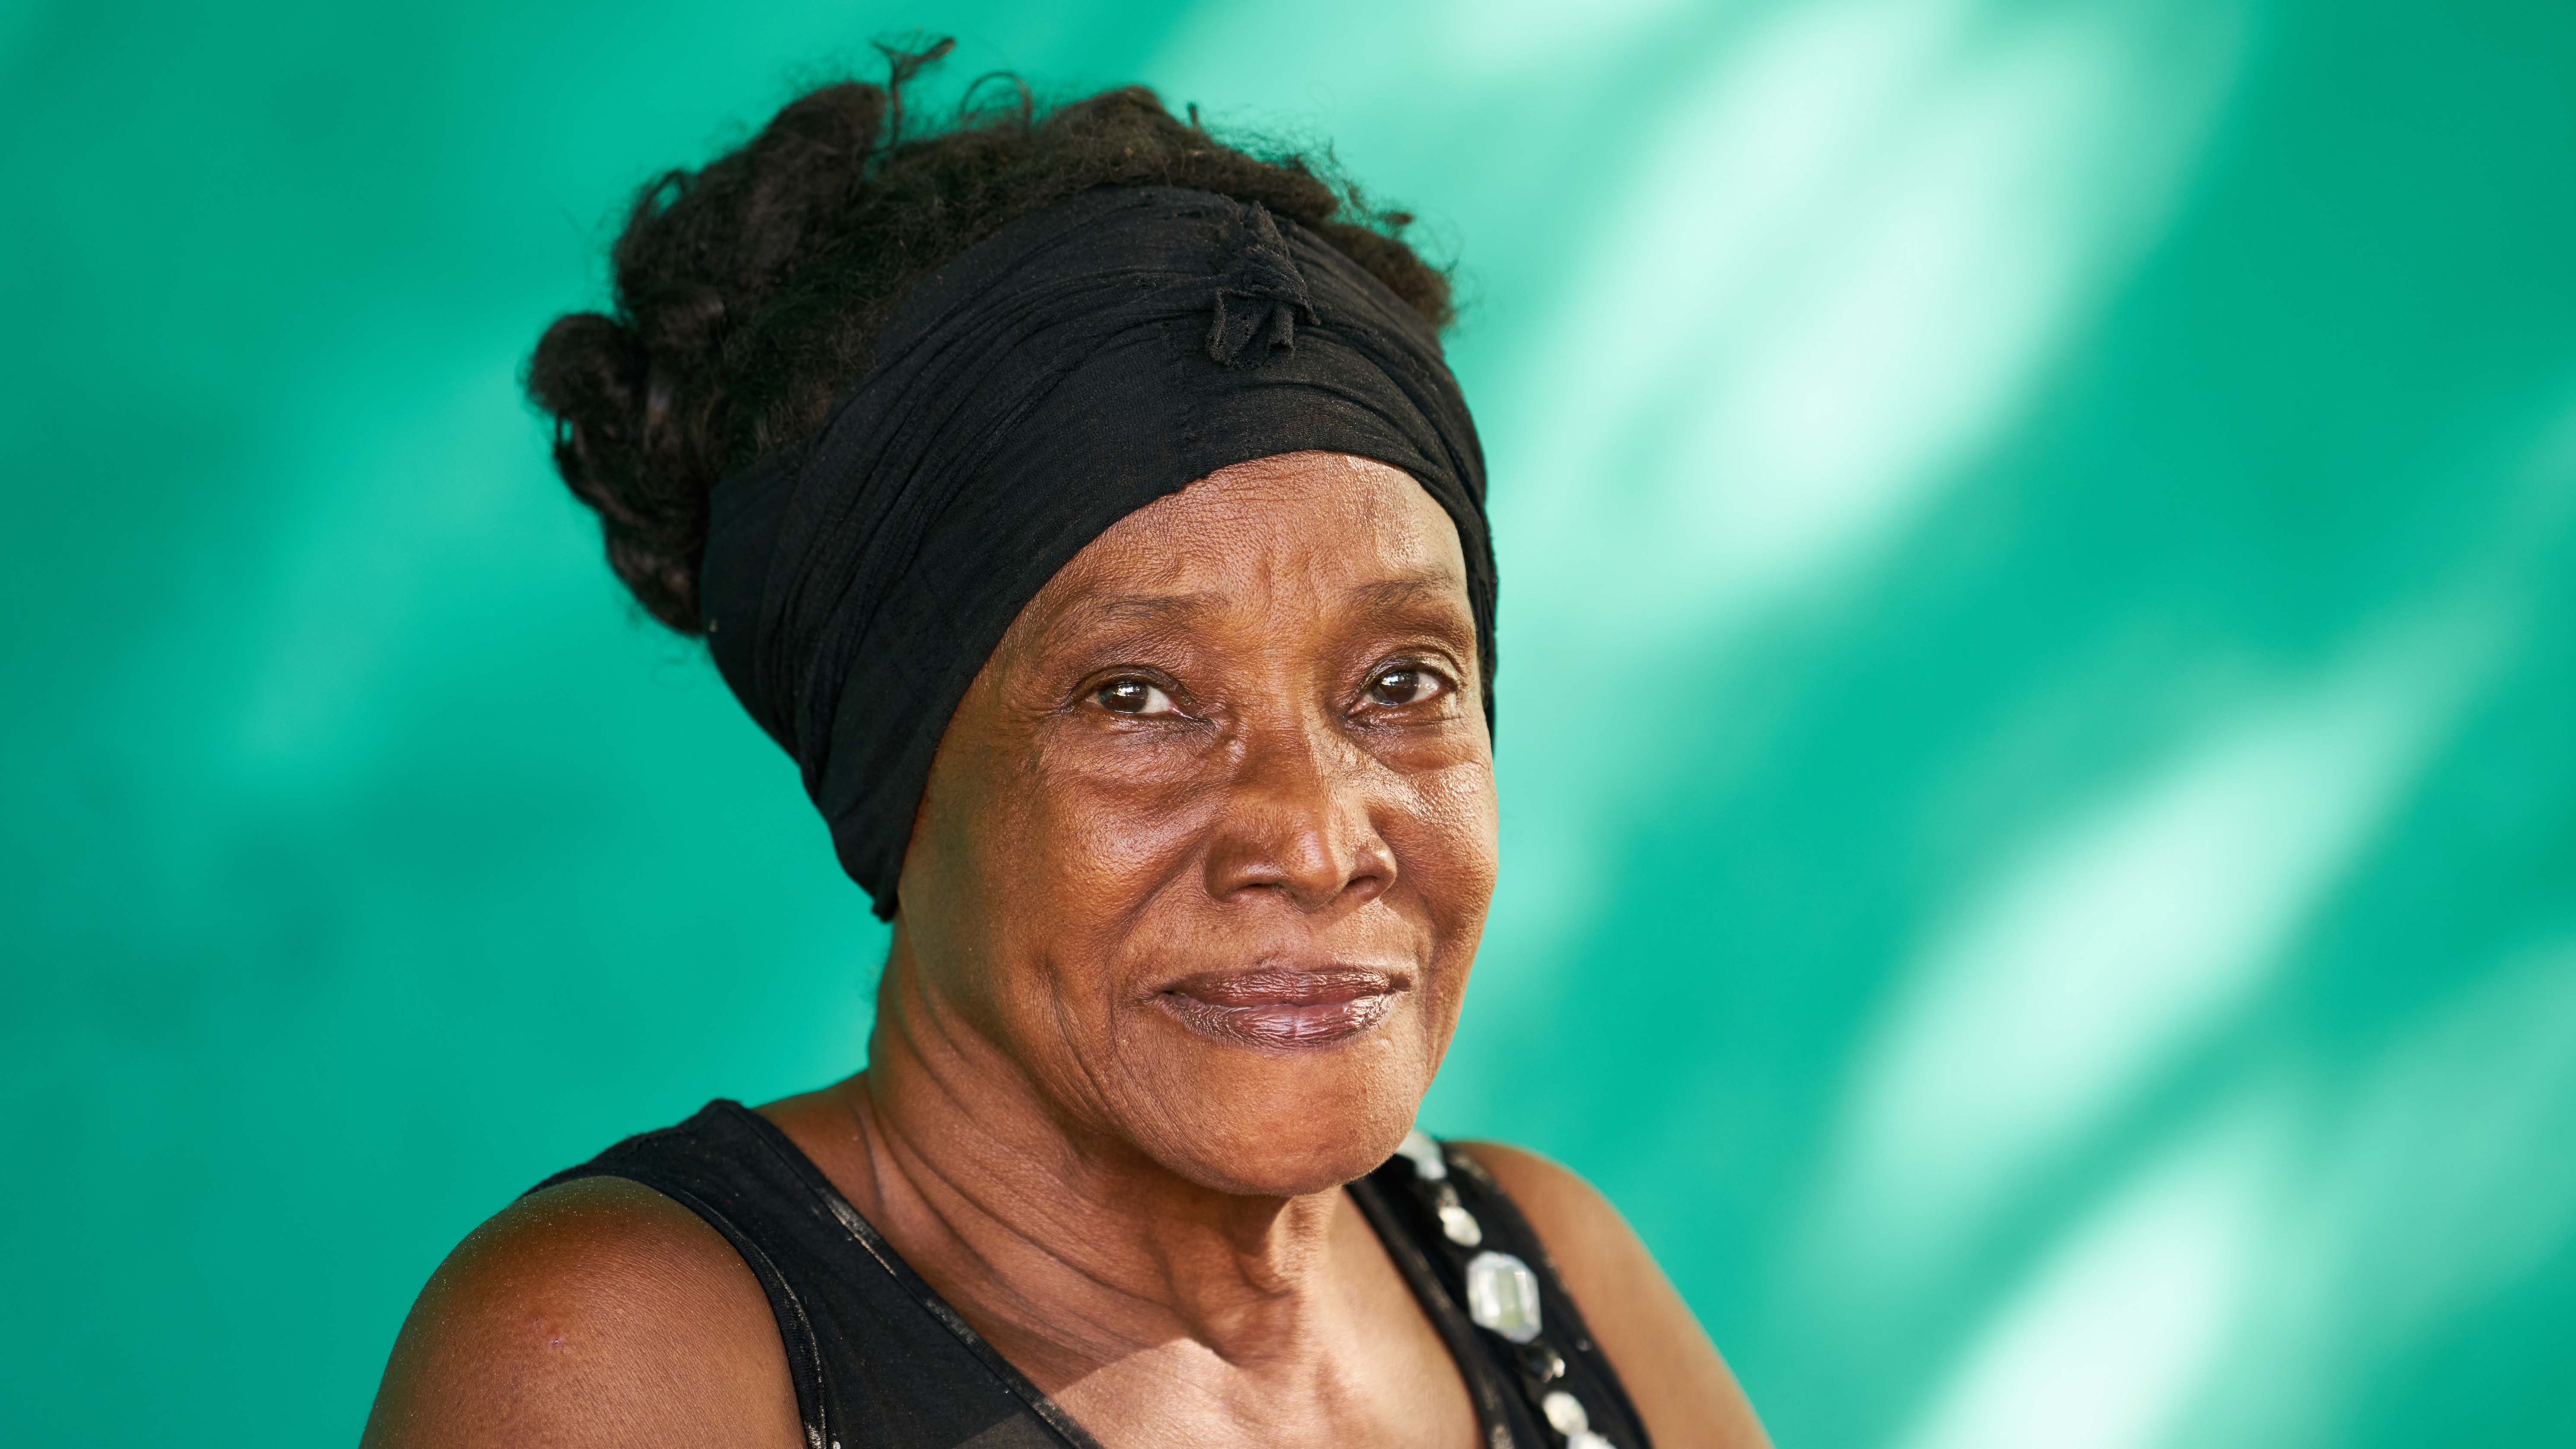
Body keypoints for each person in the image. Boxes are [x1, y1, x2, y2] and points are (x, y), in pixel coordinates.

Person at [363, 44, 1770, 1449]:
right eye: (1134, 697)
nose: (1316, 837)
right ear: (899, 781)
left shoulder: (1531, 1272)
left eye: (1400, 682)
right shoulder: (625, 1346)